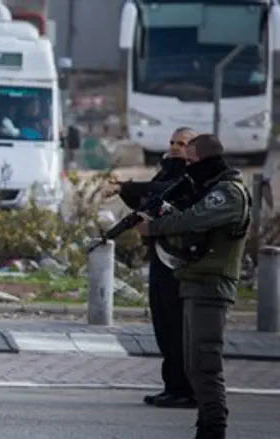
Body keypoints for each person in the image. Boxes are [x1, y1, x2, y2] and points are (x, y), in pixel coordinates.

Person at [137, 134, 251, 439]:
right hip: (194, 284)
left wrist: (156, 227)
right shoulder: (207, 188)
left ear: (208, 161)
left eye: (190, 162)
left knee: (206, 365)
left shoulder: (228, 193)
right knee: (192, 365)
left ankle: (213, 429)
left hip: (212, 288)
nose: (186, 168)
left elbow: (194, 219)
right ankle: (206, 424)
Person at [107, 126, 197, 409]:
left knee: (178, 327)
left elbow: (165, 194)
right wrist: (126, 192)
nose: (175, 147)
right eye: (172, 142)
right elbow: (148, 201)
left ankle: (187, 389)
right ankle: (172, 387)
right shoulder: (168, 170)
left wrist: (130, 186)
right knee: (163, 325)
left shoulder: (193, 177)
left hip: (180, 260)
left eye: (181, 143)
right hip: (160, 255)